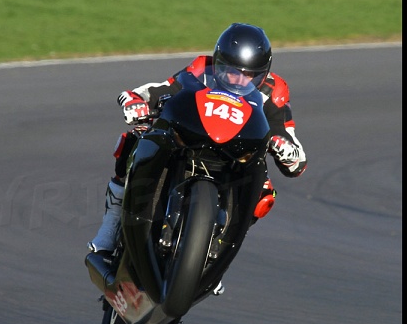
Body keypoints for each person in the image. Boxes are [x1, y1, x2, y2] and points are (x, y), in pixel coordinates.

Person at [87, 23, 308, 292]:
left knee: (264, 194)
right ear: (219, 61)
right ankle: (111, 225)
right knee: (137, 136)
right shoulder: (201, 71)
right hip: (190, 144)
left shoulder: (274, 93)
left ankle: (215, 255)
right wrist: (137, 99)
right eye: (230, 70)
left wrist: (287, 150)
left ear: (263, 74)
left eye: (248, 75)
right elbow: (162, 90)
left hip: (233, 161)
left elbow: (293, 148)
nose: (238, 80)